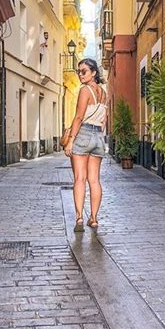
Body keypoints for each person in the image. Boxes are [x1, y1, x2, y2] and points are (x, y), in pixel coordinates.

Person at [64, 58, 107, 232]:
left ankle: (80, 217)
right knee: (94, 180)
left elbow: (78, 117)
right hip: (98, 136)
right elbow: (104, 119)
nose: (80, 75)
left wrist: (71, 140)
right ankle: (94, 219)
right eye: (79, 72)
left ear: (94, 73)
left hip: (83, 134)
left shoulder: (84, 90)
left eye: (84, 71)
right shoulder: (103, 92)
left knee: (79, 179)